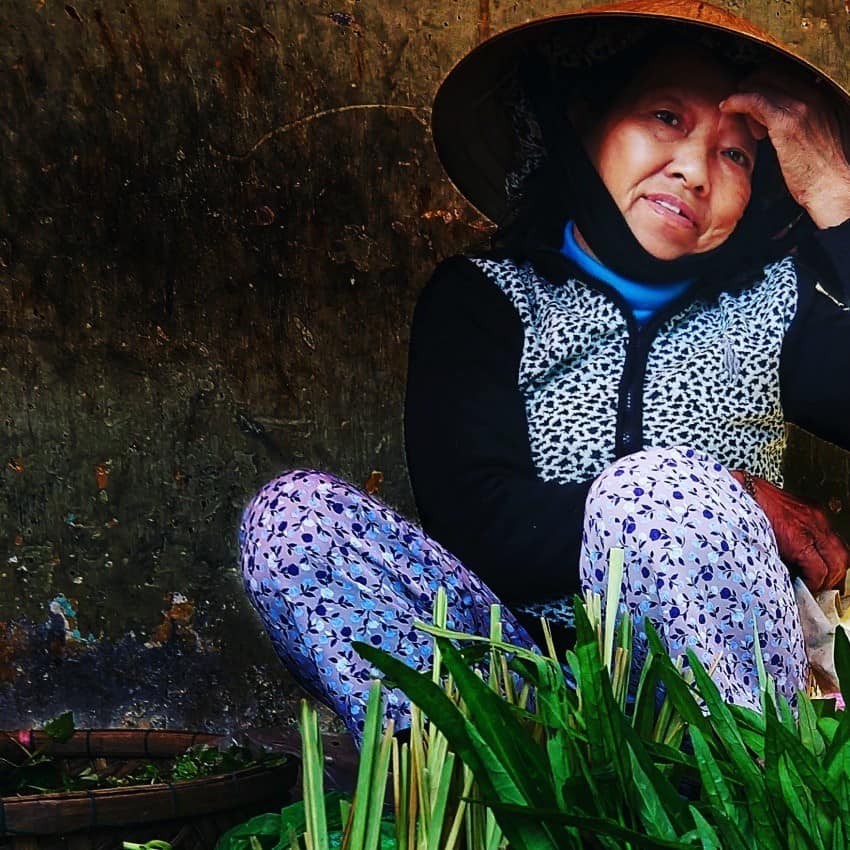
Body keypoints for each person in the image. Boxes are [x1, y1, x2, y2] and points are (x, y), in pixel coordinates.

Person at [240, 0, 850, 743]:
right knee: (293, 522)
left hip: (720, 703)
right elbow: (480, 521)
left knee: (654, 492)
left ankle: (735, 794)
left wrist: (836, 197)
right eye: (665, 117)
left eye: (737, 156)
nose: (694, 170)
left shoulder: (774, 303)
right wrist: (729, 493)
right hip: (536, 694)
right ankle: (526, 792)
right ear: (585, 118)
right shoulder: (487, 298)